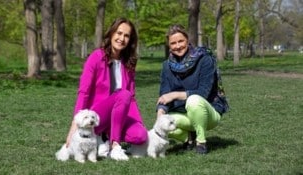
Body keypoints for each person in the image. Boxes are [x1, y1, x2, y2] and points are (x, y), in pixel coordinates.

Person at [65, 18, 148, 161]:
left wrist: (138, 122)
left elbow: (131, 97)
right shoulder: (96, 57)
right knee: (123, 94)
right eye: (119, 33)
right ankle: (114, 146)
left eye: (126, 35)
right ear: (111, 34)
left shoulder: (129, 63)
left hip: (119, 112)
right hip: (97, 114)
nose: (121, 38)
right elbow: (84, 92)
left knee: (140, 135)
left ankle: (104, 137)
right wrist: (74, 125)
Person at [156, 24, 229, 154]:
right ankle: (188, 138)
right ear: (169, 46)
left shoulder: (205, 59)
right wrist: (160, 114)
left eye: (181, 41)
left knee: (194, 100)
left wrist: (174, 95)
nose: (178, 46)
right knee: (163, 123)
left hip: (208, 112)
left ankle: (201, 141)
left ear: (187, 40)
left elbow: (203, 93)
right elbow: (164, 94)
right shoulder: (166, 66)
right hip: (183, 112)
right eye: (173, 43)